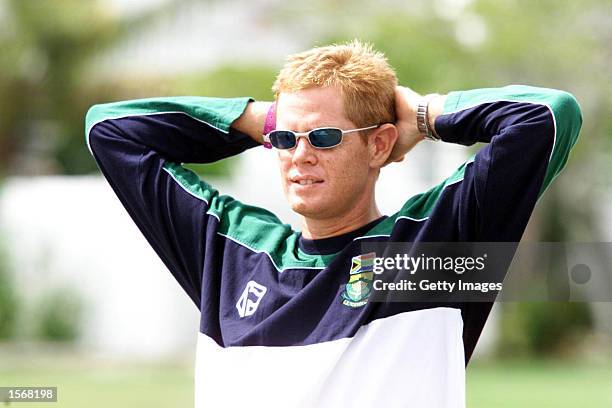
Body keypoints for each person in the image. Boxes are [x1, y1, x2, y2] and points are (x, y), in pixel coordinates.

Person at [85, 40, 582, 407]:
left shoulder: (433, 249)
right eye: (284, 140)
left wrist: (424, 114)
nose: (298, 156)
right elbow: (110, 131)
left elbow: (547, 115)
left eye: (322, 136)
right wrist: (264, 118)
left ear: (380, 145)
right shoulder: (229, 251)